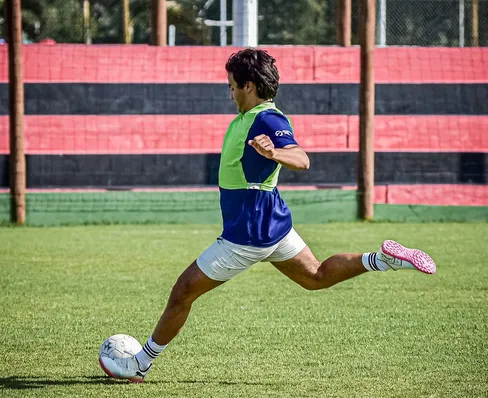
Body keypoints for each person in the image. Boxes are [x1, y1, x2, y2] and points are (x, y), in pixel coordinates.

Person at [100, 48, 436, 383]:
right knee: (315, 276)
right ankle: (385, 260)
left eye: (232, 85)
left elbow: (302, 159)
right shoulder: (247, 118)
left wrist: (274, 152)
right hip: (273, 225)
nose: (229, 92)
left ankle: (140, 363)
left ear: (248, 85)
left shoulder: (267, 118)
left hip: (248, 234)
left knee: (183, 292)